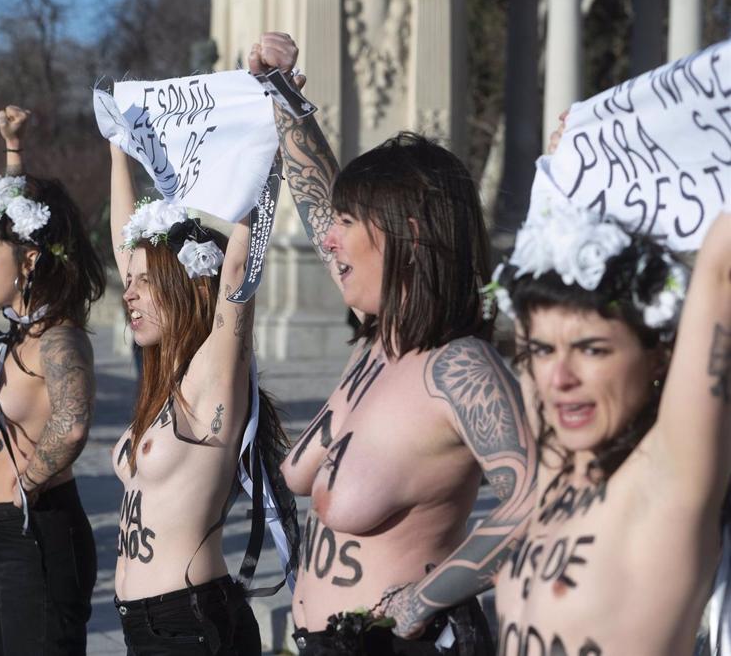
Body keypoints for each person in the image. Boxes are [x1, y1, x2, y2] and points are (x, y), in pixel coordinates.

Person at [251, 33, 537, 654]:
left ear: (405, 232)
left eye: (350, 223)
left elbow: (535, 503)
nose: (329, 240)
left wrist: (427, 600)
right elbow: (318, 207)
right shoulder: (376, 343)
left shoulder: (460, 367)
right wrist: (282, 97)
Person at [488, 180, 731, 653]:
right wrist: (566, 170)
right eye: (542, 351)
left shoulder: (667, 476)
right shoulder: (559, 468)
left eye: (592, 350)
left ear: (659, 356)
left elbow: (721, 269)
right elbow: (528, 297)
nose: (560, 378)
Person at [108, 141, 298, 655]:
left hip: (189, 624)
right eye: (132, 282)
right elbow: (125, 244)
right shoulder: (163, 386)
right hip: (148, 627)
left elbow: (236, 273)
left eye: (147, 283)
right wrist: (116, 146)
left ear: (184, 289)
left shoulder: (212, 378)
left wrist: (269, 143)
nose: (130, 293)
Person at [0, 105, 104, 655]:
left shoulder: (60, 339)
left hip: (37, 534)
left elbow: (72, 427)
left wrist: (24, 485)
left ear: (27, 261)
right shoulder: (20, 336)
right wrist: (13, 147)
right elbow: (20, 212)